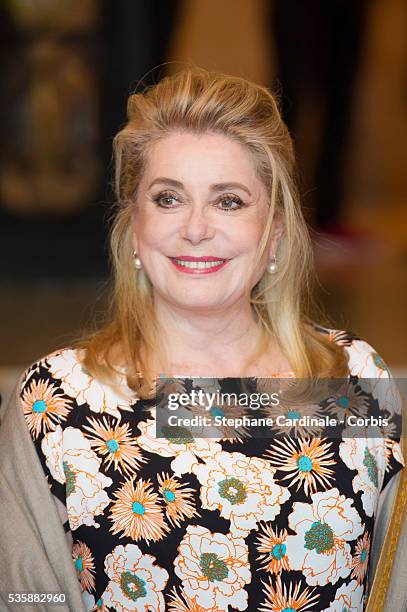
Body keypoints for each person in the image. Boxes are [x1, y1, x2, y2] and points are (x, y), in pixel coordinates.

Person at [0, 65, 405, 612]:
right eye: (168, 198)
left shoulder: (352, 380)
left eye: (229, 201)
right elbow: (24, 597)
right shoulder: (52, 401)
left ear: (276, 231)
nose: (195, 228)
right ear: (133, 226)